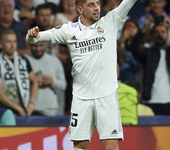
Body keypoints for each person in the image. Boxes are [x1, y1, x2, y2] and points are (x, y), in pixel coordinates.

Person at [26, 0, 138, 149]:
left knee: (111, 143)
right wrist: (31, 36)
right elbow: (35, 39)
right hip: (81, 98)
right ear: (80, 9)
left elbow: (129, 2)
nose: (96, 8)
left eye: (97, 3)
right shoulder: (68, 30)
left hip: (107, 95)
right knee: (80, 144)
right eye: (91, 5)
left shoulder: (111, 21)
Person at [130, 16, 170, 115]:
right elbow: (134, 48)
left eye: (163, 32)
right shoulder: (147, 53)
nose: (160, 35)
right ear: (152, 36)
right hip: (151, 101)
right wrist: (144, 28)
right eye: (156, 32)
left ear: (168, 35)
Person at [0, 29, 38, 116]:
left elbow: (34, 80)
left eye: (14, 41)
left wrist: (32, 103)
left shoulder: (23, 60)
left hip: (26, 110)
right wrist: (18, 108)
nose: (12, 45)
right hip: (6, 112)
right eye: (8, 42)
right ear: (1, 44)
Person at [25, 42, 67, 116]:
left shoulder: (55, 61)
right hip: (29, 109)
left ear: (46, 44)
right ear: (30, 45)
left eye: (41, 45)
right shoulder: (23, 60)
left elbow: (63, 86)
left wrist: (52, 81)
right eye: (35, 46)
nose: (38, 49)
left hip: (50, 110)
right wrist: (33, 83)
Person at [117, 18, 141, 84]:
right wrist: (122, 41)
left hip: (138, 79)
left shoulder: (142, 41)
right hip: (125, 80)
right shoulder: (120, 43)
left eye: (133, 27)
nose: (130, 30)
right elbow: (121, 62)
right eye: (128, 27)